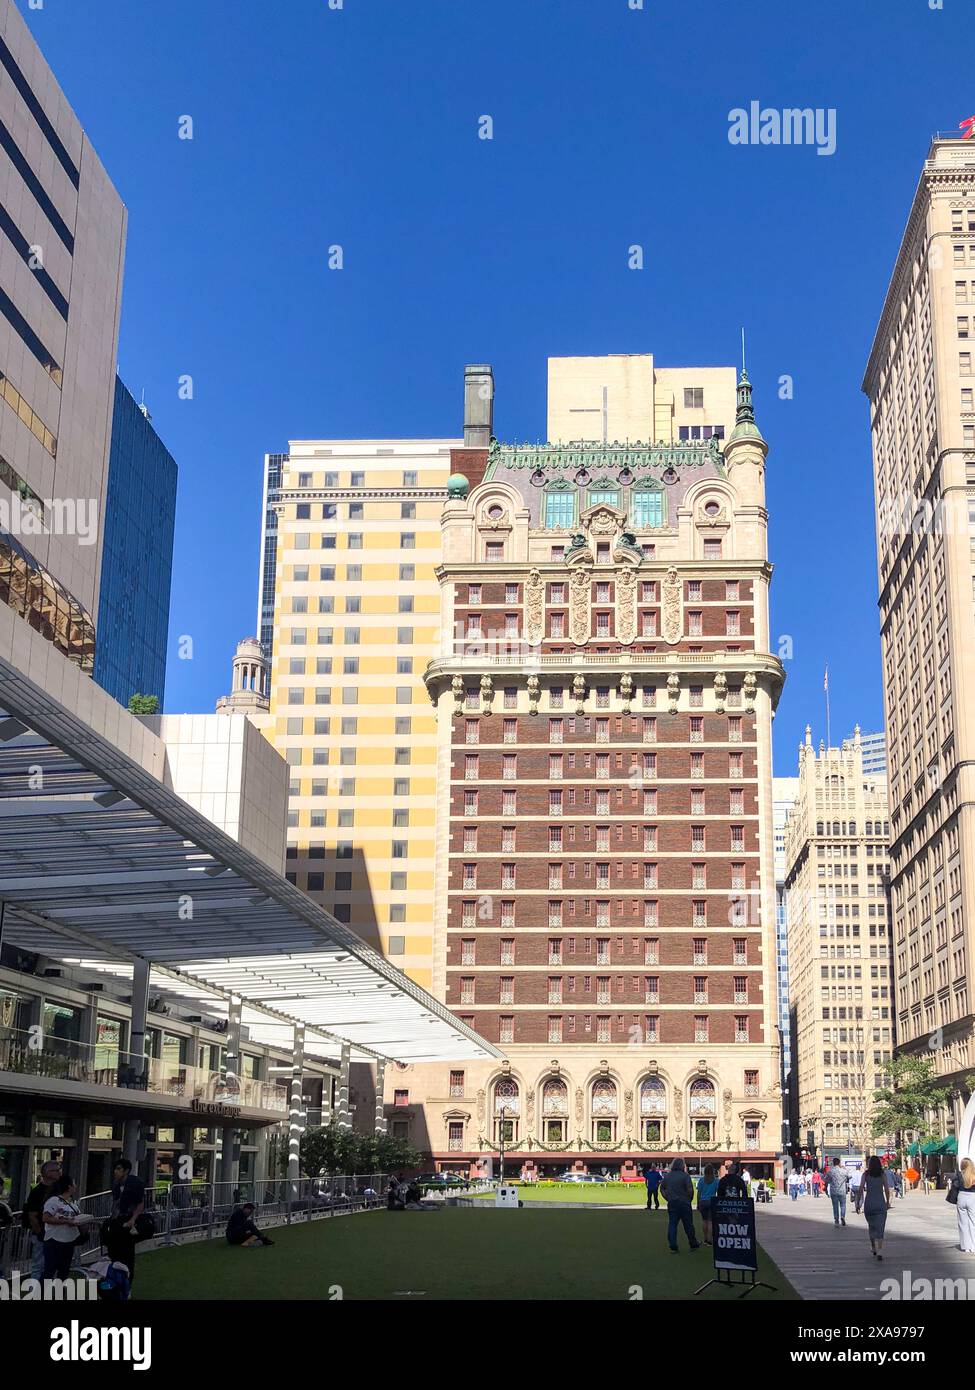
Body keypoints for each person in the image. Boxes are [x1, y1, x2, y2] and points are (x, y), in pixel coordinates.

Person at [104, 1158, 146, 1284]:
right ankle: (114, 1281)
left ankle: (126, 1285)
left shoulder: (134, 1183)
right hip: (116, 1221)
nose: (115, 1172)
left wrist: (133, 1219)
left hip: (128, 1221)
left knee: (127, 1255)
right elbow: (116, 1204)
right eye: (115, 1169)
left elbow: (140, 1203)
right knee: (113, 1253)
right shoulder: (116, 1185)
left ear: (126, 1171)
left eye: (119, 1169)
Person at [42, 1175, 89, 1280]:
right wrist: (66, 1221)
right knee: (49, 1271)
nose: (75, 1186)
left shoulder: (73, 1204)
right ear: (69, 1187)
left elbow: (78, 1220)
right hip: (54, 1240)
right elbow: (46, 1218)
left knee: (64, 1271)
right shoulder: (54, 1201)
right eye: (74, 1184)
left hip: (69, 1241)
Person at [22, 1158, 62, 1279]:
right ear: (48, 1173)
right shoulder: (37, 1192)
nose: (59, 1173)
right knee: (38, 1264)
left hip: (56, 1233)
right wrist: (40, 1232)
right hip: (42, 1233)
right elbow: (32, 1215)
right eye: (57, 1170)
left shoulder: (58, 1189)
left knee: (52, 1264)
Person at [659, 1159, 700, 1254]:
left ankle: (673, 1245)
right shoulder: (685, 1176)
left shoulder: (668, 1176)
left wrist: (667, 1197)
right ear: (682, 1166)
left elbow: (662, 1188)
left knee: (672, 1224)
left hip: (672, 1203)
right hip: (684, 1203)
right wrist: (690, 1199)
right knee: (688, 1225)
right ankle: (693, 1243)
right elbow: (690, 1190)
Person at [856, 1155, 892, 1260]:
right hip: (880, 1203)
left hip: (869, 1203)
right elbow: (886, 1188)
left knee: (871, 1226)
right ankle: (880, 1250)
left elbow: (861, 1188)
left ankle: (873, 1247)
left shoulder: (866, 1174)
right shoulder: (882, 1174)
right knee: (881, 1227)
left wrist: (858, 1203)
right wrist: (888, 1201)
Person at [952, 1157, 975, 1255]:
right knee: (973, 1222)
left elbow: (955, 1185)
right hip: (972, 1197)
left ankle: (966, 1246)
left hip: (961, 1196)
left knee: (962, 1223)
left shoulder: (959, 1175)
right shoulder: (973, 1176)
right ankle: (973, 1246)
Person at [697, 1164, 718, 1245]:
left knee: (704, 1220)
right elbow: (718, 1191)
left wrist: (698, 1203)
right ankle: (710, 1240)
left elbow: (699, 1193)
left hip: (703, 1201)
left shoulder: (701, 1180)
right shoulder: (716, 1181)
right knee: (710, 1222)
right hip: (712, 1201)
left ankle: (705, 1238)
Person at [826, 1157, 850, 1226]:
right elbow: (850, 1176)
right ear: (839, 1163)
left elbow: (826, 1180)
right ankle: (842, 1216)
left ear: (833, 1163)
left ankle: (836, 1220)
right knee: (843, 1205)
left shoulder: (830, 1171)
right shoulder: (843, 1171)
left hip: (833, 1191)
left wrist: (830, 1182)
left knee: (835, 1206)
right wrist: (845, 1169)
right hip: (842, 1191)